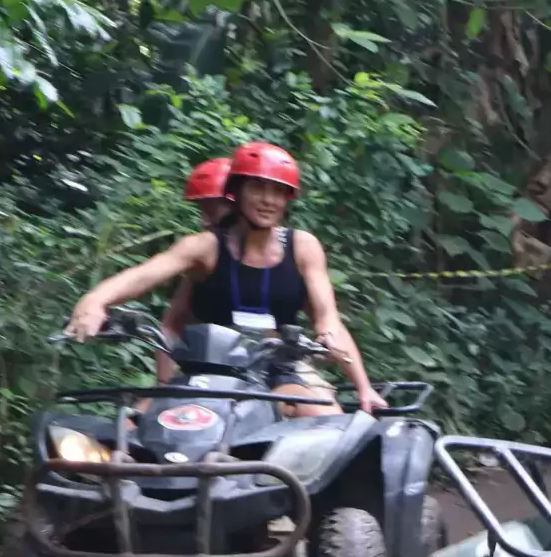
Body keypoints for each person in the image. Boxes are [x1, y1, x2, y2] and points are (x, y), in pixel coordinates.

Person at [65, 141, 385, 416]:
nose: (268, 200)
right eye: (257, 188)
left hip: (278, 370)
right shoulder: (204, 247)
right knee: (134, 427)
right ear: (236, 193)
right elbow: (146, 274)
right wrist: (95, 301)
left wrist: (361, 384)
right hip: (207, 371)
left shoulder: (303, 247)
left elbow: (328, 318)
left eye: (278, 191)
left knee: (327, 421)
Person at [153, 157, 234, 381]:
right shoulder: (202, 261)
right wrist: (162, 386)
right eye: (203, 210)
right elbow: (171, 326)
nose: (205, 221)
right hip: (208, 376)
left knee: (316, 399)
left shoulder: (282, 254)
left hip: (274, 375)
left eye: (213, 210)